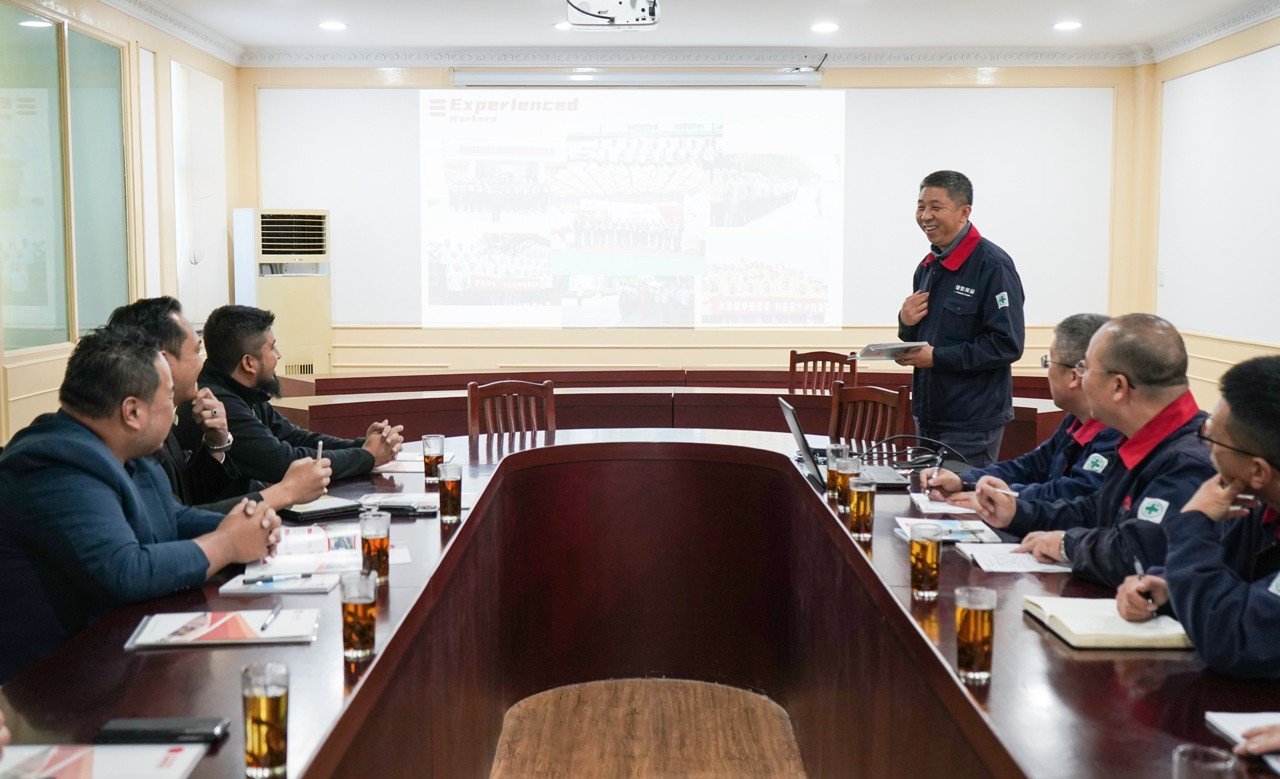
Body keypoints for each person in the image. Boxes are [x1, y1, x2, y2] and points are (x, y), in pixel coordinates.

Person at [0, 327, 281, 682]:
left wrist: (249, 525)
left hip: (119, 654)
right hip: (53, 684)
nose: (175, 408)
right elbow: (125, 570)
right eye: (168, 398)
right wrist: (226, 544)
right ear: (132, 411)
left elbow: (172, 518)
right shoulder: (54, 465)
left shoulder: (126, 449)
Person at [971, 314, 1215, 589]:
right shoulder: (1142, 435)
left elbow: (1137, 554)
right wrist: (1017, 512)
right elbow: (1097, 509)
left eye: (1085, 369)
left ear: (1118, 386)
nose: (1081, 379)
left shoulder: (1190, 461)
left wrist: (1067, 544)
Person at [1114, 356, 1280, 680]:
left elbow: (1233, 637)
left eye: (1211, 439)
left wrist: (1192, 522)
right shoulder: (1260, 505)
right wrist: (1169, 588)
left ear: (1258, 471)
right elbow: (1228, 583)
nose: (1206, 450)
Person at [108, 297, 331, 511]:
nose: (202, 364)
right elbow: (177, 522)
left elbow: (192, 498)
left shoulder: (159, 423)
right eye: (196, 351)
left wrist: (217, 444)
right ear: (164, 361)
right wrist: (284, 493)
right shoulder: (134, 439)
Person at [177, 305, 403, 500]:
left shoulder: (243, 390)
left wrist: (362, 446)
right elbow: (283, 462)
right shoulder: (221, 402)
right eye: (272, 347)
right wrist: (367, 456)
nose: (278, 354)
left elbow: (293, 437)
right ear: (249, 363)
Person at [896, 170, 1025, 468]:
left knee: (958, 497)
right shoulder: (927, 266)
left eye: (936, 207)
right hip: (928, 416)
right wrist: (905, 323)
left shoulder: (993, 265)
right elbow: (923, 339)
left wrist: (937, 357)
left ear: (964, 212)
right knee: (924, 495)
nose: (925, 216)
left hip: (972, 424)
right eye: (920, 207)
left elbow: (1006, 345)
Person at [925, 313, 1120, 504]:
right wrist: (964, 481)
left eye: (1049, 361)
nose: (1048, 371)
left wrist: (1001, 495)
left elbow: (1072, 495)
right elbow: (1030, 466)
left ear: (1074, 376)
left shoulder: (1114, 433)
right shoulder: (1075, 420)